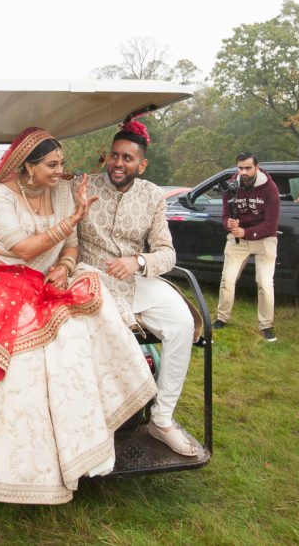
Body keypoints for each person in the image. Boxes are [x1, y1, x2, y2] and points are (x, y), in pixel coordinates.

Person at [0, 128, 157, 505]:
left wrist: (67, 265)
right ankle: (8, 462)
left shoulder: (60, 189)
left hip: (46, 279)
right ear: (28, 167)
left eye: (62, 164)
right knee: (22, 353)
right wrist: (73, 220)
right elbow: (22, 249)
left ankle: (87, 444)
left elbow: (69, 245)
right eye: (52, 165)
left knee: (85, 322)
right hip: (1, 277)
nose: (60, 171)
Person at [77, 120, 200, 457]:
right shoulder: (83, 186)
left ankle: (161, 420)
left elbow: (167, 253)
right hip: (89, 277)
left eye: (128, 158)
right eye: (115, 156)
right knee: (104, 331)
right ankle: (95, 423)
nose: (119, 163)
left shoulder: (152, 196)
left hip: (134, 279)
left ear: (141, 164)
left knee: (181, 324)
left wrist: (139, 262)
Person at [214, 151, 280, 342]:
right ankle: (221, 318)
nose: (243, 172)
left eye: (248, 168)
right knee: (227, 279)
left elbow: (271, 224)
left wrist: (247, 233)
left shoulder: (269, 188)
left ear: (256, 168)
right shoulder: (231, 186)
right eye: (240, 168)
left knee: (264, 283)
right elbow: (225, 216)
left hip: (264, 238)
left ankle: (266, 325)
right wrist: (230, 225)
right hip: (238, 240)